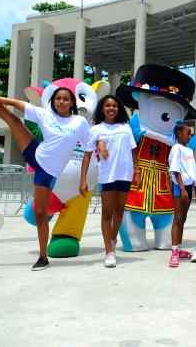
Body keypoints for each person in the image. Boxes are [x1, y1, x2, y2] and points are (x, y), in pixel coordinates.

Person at [0, 80, 90, 270]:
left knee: (41, 213)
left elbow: (88, 150)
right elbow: (13, 103)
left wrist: (83, 179)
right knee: (12, 119)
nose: (61, 102)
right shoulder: (45, 114)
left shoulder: (80, 123)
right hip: (35, 152)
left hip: (46, 171)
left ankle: (43, 257)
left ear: (72, 103)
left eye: (66, 99)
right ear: (53, 102)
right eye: (58, 98)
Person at [79, 95, 137, 268]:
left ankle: (112, 239)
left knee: (119, 212)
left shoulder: (126, 128)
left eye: (114, 106)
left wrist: (138, 171)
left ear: (118, 109)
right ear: (102, 109)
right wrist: (83, 180)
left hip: (125, 175)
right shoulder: (96, 129)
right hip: (107, 176)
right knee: (107, 213)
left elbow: (133, 151)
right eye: (107, 106)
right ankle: (109, 252)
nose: (111, 108)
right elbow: (87, 155)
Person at [168, 123, 196, 267]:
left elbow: (192, 170)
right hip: (179, 187)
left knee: (183, 219)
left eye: (191, 133)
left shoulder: (189, 150)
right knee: (178, 218)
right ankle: (174, 251)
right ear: (179, 133)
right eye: (188, 132)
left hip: (188, 186)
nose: (190, 135)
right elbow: (175, 169)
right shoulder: (176, 148)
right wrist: (182, 189)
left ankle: (179, 249)